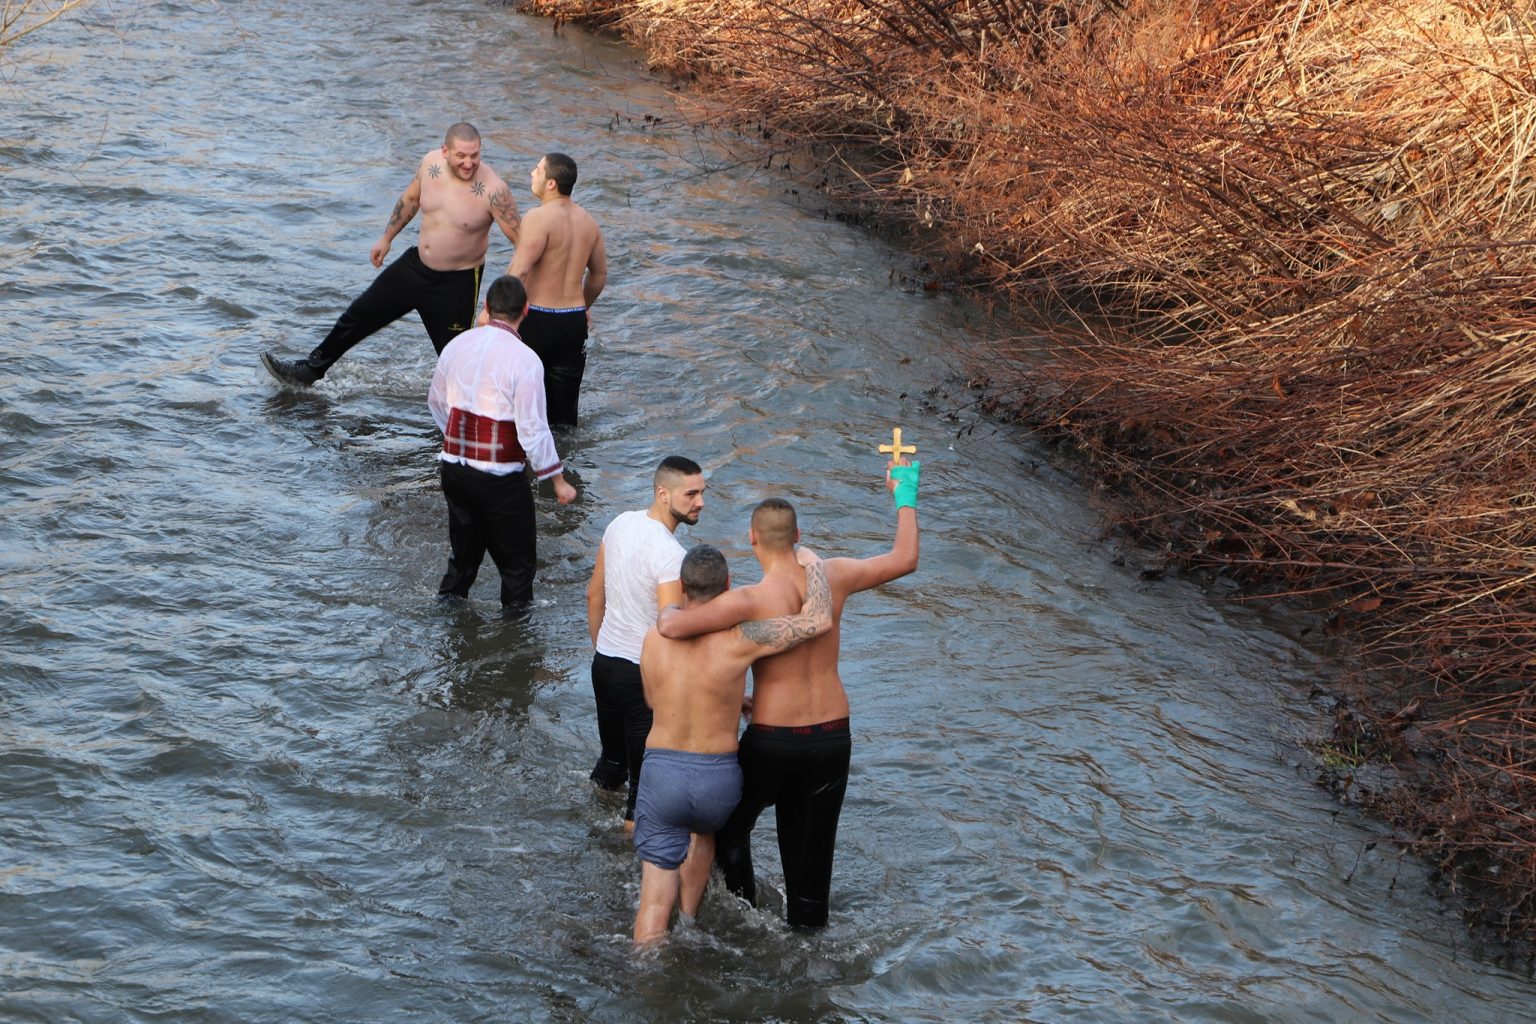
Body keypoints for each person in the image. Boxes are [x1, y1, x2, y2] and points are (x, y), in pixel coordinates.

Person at [655, 459, 920, 929]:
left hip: (774, 740)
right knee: (813, 857)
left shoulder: (747, 600)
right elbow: (905, 559)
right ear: (799, 535)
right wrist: (903, 495)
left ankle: (747, 916)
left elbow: (673, 626)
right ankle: (808, 939)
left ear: (752, 539)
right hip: (833, 737)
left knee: (728, 831)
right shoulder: (834, 575)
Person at [632, 544, 834, 944]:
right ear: (727, 586)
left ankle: (648, 976)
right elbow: (818, 620)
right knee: (703, 834)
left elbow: (655, 700)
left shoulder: (654, 638)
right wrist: (815, 567)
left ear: (682, 588)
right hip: (717, 782)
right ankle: (690, 922)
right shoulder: (743, 638)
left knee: (652, 909)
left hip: (663, 776)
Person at [261, 122, 522, 386]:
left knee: (456, 360)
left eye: (475, 155)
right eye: (461, 156)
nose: (469, 163)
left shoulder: (494, 191)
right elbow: (410, 200)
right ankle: (309, 371)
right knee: (359, 314)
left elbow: (523, 245)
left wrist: (498, 303)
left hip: (457, 283)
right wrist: (387, 238)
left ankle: (478, 404)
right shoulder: (430, 165)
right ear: (445, 151)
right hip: (415, 266)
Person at [427, 275, 576, 612]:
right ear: (526, 309)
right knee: (517, 571)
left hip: (454, 469)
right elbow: (533, 430)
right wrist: (558, 481)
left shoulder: (456, 345)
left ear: (486, 307)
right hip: (500, 480)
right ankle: (516, 647)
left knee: (462, 561)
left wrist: (458, 442)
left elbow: (436, 402)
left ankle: (448, 631)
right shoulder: (525, 360)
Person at [585, 456, 707, 828]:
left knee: (612, 763)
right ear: (662, 493)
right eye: (691, 494)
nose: (700, 502)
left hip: (604, 664)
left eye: (702, 492)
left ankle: (589, 824)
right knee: (643, 787)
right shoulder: (672, 556)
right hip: (642, 675)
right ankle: (626, 868)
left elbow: (594, 596)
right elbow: (670, 628)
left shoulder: (620, 523)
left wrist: (602, 649)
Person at [506, 152, 607, 428]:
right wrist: (583, 306)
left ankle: (522, 465)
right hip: (572, 324)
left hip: (536, 320)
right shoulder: (589, 223)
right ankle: (564, 469)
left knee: (521, 406)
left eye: (537, 170)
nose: (532, 174)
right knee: (564, 419)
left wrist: (492, 313)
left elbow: (520, 270)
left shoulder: (538, 218)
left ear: (551, 183)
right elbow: (598, 276)